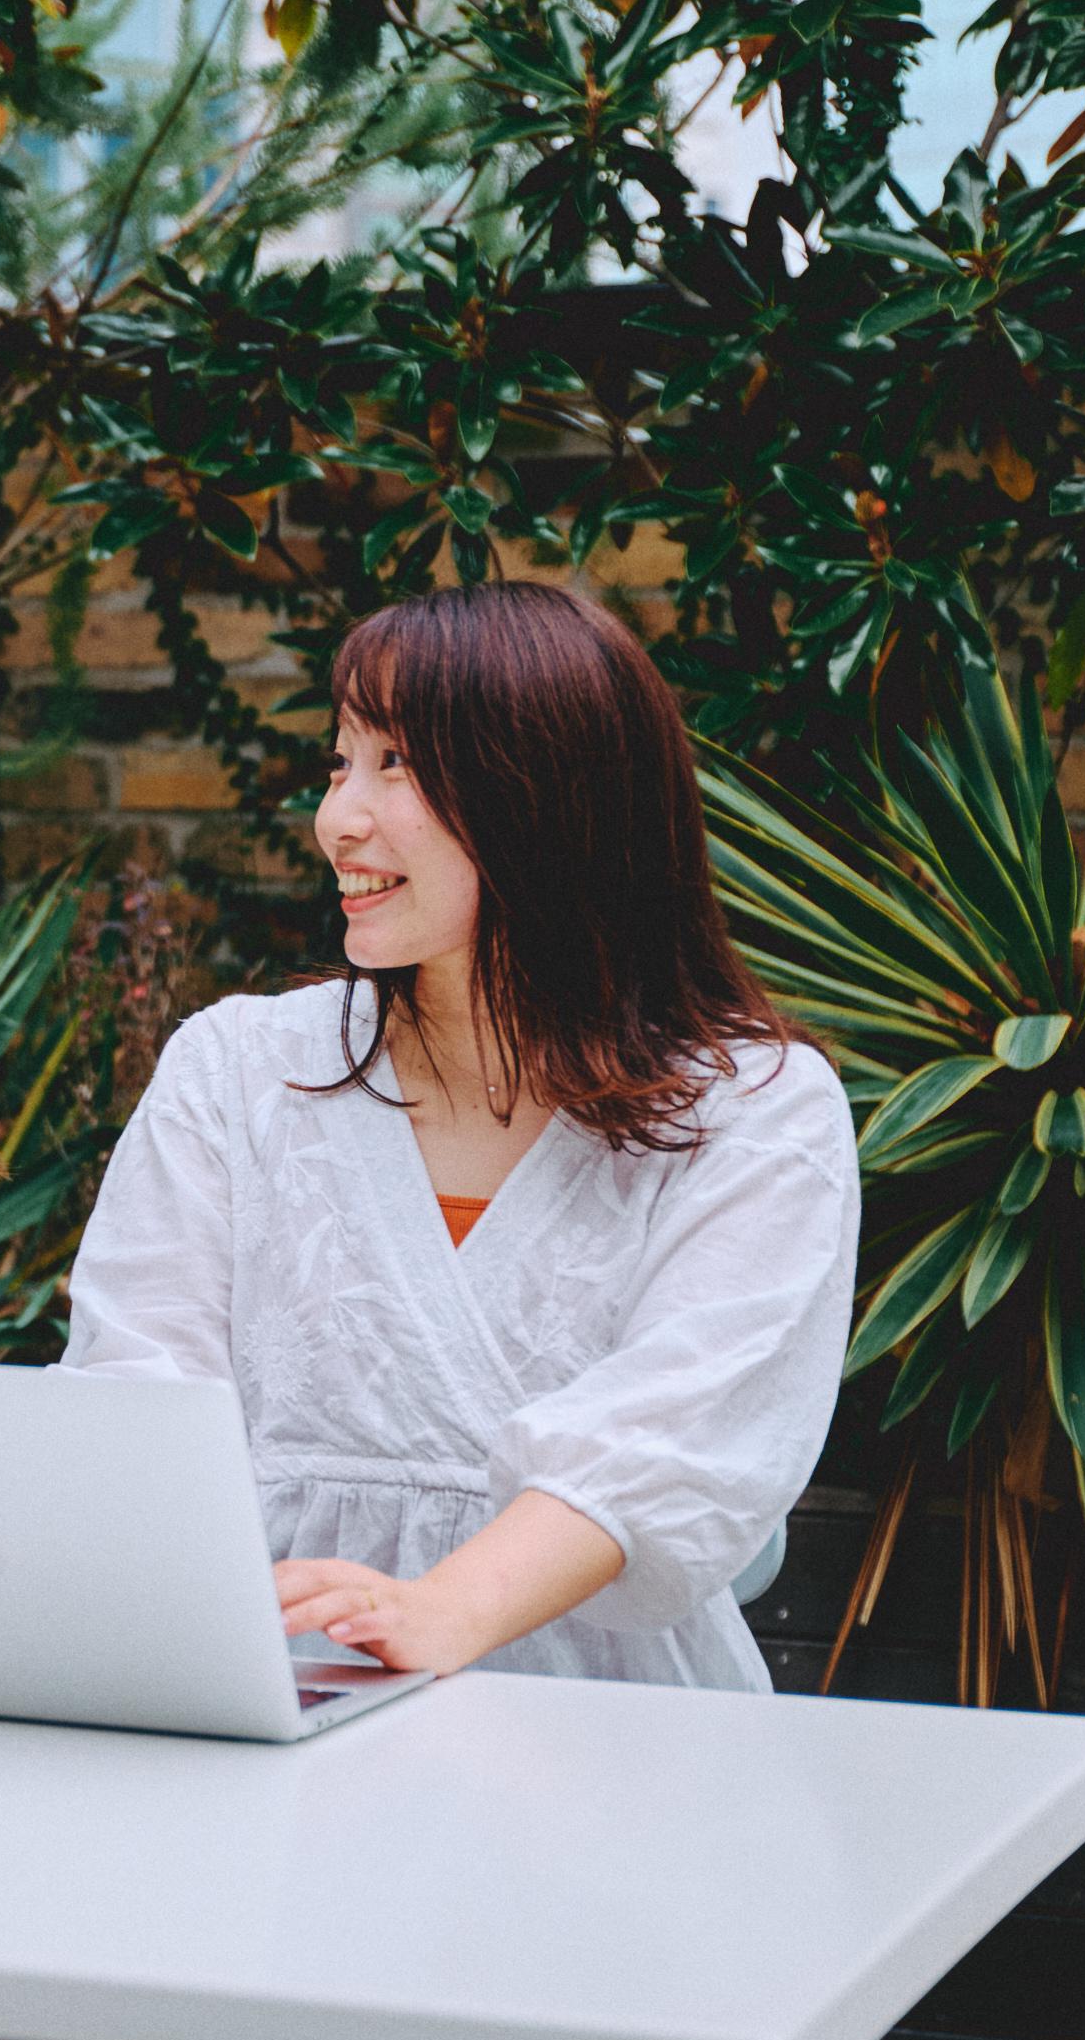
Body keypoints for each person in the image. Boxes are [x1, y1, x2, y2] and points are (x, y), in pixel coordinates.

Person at [65, 580, 857, 1687]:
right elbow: (136, 1395)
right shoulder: (235, 1068)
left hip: (609, 1743)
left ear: (552, 798)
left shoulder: (755, 1107)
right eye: (340, 760)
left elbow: (676, 1440)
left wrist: (440, 1612)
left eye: (397, 764)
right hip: (268, 1699)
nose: (337, 816)